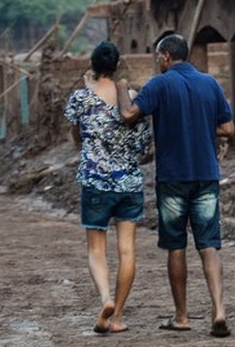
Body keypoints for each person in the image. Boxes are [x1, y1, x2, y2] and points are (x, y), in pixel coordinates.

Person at [116, 33, 234, 338]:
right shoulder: (210, 83)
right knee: (209, 244)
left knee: (176, 246)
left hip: (173, 179)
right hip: (206, 174)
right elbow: (228, 127)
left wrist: (121, 88)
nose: (158, 61)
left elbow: (129, 114)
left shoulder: (159, 83)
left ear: (166, 56)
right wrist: (199, 127)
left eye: (158, 56)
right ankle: (218, 310)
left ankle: (181, 316)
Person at [63, 41, 152, 334]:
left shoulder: (80, 98)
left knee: (96, 249)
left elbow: (76, 137)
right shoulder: (132, 99)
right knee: (127, 250)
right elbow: (142, 145)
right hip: (128, 182)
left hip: (95, 182)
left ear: (92, 65)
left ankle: (105, 298)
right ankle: (118, 318)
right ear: (117, 66)